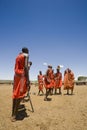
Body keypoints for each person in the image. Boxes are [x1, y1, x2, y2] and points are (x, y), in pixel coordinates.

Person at [11, 47, 30, 122]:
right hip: (22, 76)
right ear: (26, 51)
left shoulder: (17, 56)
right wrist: (28, 79)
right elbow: (25, 67)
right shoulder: (26, 55)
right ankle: (14, 115)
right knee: (20, 95)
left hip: (16, 76)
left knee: (15, 94)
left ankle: (13, 113)